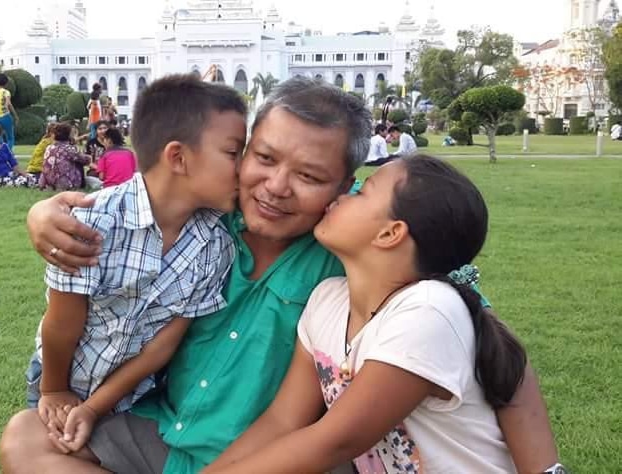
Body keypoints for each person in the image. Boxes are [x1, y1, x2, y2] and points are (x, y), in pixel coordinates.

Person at [0, 77, 560, 474]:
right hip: (166, 433)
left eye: (310, 175)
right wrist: (43, 212)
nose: (276, 186)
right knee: (27, 437)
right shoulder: (203, 222)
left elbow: (496, 351)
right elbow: (134, 205)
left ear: (346, 189)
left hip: (276, 456)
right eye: (263, 159)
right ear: (240, 155)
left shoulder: (355, 258)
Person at [205, 155, 531, 473]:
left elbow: (333, 442)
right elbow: (283, 420)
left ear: (390, 233)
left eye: (361, 193)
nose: (341, 198)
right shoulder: (326, 301)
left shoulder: (428, 311)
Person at [24, 73, 247, 458]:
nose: (244, 168)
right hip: (61, 377)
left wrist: (95, 407)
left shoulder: (215, 245)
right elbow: (62, 324)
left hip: (133, 395)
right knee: (50, 452)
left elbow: (163, 346)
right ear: (178, 157)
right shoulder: (93, 223)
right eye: (233, 153)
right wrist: (54, 389)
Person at [38, 123, 90, 191]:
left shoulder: (49, 147)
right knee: (78, 163)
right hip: (65, 184)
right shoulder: (69, 149)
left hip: (48, 182)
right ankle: (78, 185)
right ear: (68, 135)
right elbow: (85, 160)